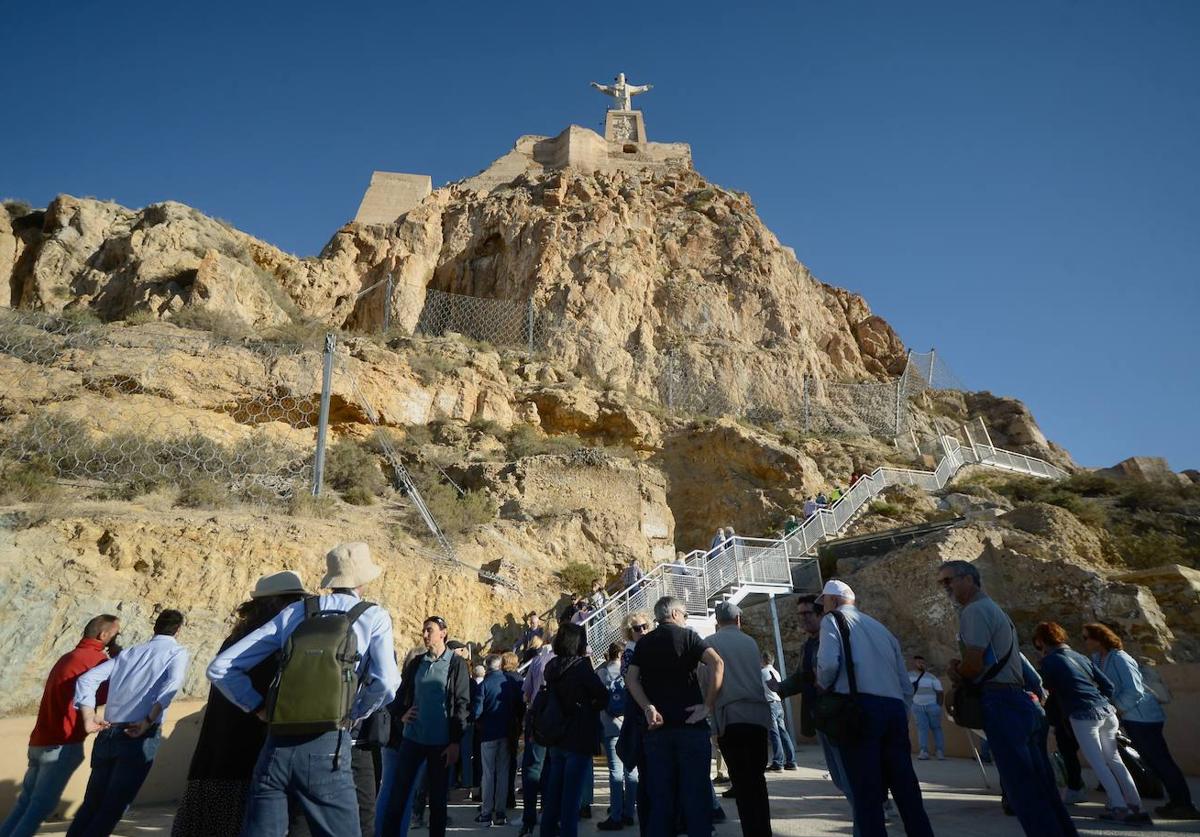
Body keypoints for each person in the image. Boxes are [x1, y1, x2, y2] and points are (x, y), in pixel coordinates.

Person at [208, 543, 399, 837]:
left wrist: (259, 708)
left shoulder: (297, 611)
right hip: (329, 744)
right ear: (363, 580)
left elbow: (220, 668)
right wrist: (355, 713)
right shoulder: (373, 617)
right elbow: (386, 681)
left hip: (276, 743)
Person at [938, 561, 1078, 837]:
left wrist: (956, 670)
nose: (946, 588)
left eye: (948, 581)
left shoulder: (974, 611)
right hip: (1021, 703)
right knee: (1043, 785)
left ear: (968, 579)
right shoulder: (995, 611)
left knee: (1022, 787)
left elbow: (974, 664)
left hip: (1000, 703)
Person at [172, 572, 307, 837]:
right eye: (293, 601)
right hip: (244, 752)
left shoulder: (238, 638)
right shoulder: (270, 644)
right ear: (278, 604)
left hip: (216, 750)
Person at [812, 580, 932, 837]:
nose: (823, 608)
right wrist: (901, 712)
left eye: (824, 603)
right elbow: (904, 684)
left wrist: (821, 684)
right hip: (894, 710)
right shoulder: (881, 628)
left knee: (866, 794)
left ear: (832, 600)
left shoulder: (832, 620)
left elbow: (828, 666)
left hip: (858, 710)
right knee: (906, 789)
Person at [69, 609, 189, 837]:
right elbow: (170, 687)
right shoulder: (177, 652)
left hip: (109, 730)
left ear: (155, 627)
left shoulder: (130, 653)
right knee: (112, 807)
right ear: (178, 630)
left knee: (92, 804)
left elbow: (87, 679)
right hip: (138, 733)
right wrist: (147, 720)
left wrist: (87, 717)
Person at [0, 615, 120, 837]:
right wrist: (117, 662)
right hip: (61, 744)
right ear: (104, 636)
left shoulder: (67, 657)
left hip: (40, 740)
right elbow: (106, 695)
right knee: (38, 809)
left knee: (24, 805)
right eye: (116, 634)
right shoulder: (95, 661)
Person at [626, 596, 725, 837]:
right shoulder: (689, 636)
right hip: (691, 727)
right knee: (696, 799)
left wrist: (648, 707)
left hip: (657, 732)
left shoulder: (644, 643)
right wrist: (707, 705)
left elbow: (631, 679)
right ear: (676, 614)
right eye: (685, 614)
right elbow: (717, 663)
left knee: (661, 800)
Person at [1033, 622, 1148, 824]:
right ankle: (1136, 806)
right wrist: (1097, 700)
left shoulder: (1050, 662)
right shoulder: (1080, 657)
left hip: (1083, 715)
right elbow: (1108, 685)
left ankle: (1120, 808)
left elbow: (1048, 693)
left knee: (1099, 764)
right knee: (1114, 760)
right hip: (1107, 712)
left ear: (1041, 641)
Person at [1083, 623, 1199, 820]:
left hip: (1143, 717)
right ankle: (1176, 801)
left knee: (1161, 761)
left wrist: (1117, 708)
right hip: (1131, 716)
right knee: (1153, 761)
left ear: (1098, 638)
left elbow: (1135, 689)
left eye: (1087, 637)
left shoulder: (1120, 658)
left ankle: (1184, 804)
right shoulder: (1099, 659)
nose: (1084, 641)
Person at [377, 615, 471, 837]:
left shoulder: (456, 664)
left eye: (430, 630)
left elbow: (462, 704)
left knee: (438, 802)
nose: (425, 634)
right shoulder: (417, 663)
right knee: (398, 796)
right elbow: (398, 697)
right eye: (424, 631)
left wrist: (456, 742)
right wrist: (401, 713)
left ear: (443, 633)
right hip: (413, 739)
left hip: (441, 743)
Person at [707, 602, 772, 837]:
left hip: (730, 718)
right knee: (757, 780)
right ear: (738, 620)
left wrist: (713, 724)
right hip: (758, 717)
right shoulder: (750, 642)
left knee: (742, 785)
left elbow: (709, 687)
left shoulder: (711, 644)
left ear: (717, 621)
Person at [538, 623, 608, 837]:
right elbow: (602, 696)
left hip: (556, 736)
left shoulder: (551, 667)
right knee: (571, 801)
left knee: (553, 796)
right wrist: (588, 708)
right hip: (577, 737)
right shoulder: (581, 667)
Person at [474, 654, 521, 826]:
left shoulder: (484, 685)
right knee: (503, 773)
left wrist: (477, 721)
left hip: (488, 733)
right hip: (507, 733)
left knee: (488, 774)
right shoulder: (509, 683)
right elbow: (519, 706)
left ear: (487, 667)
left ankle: (486, 812)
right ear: (500, 665)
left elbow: (477, 711)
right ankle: (500, 812)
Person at [595, 642, 637, 831]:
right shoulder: (631, 671)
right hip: (629, 724)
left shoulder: (601, 673)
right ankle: (630, 812)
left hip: (610, 726)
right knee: (632, 770)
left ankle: (616, 815)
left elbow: (597, 699)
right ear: (621, 654)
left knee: (615, 771)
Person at [760, 651, 796, 772]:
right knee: (783, 732)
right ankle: (791, 761)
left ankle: (778, 762)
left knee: (774, 734)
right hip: (779, 704)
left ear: (763, 660)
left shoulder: (762, 672)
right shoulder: (776, 672)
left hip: (770, 704)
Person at [908, 655, 945, 760]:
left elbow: (940, 692)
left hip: (932, 706)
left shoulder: (932, 677)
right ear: (914, 663)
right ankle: (923, 751)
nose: (921, 664)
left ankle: (939, 751)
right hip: (917, 706)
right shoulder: (908, 676)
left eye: (923, 662)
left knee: (936, 728)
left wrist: (938, 706)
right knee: (921, 729)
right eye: (918, 662)